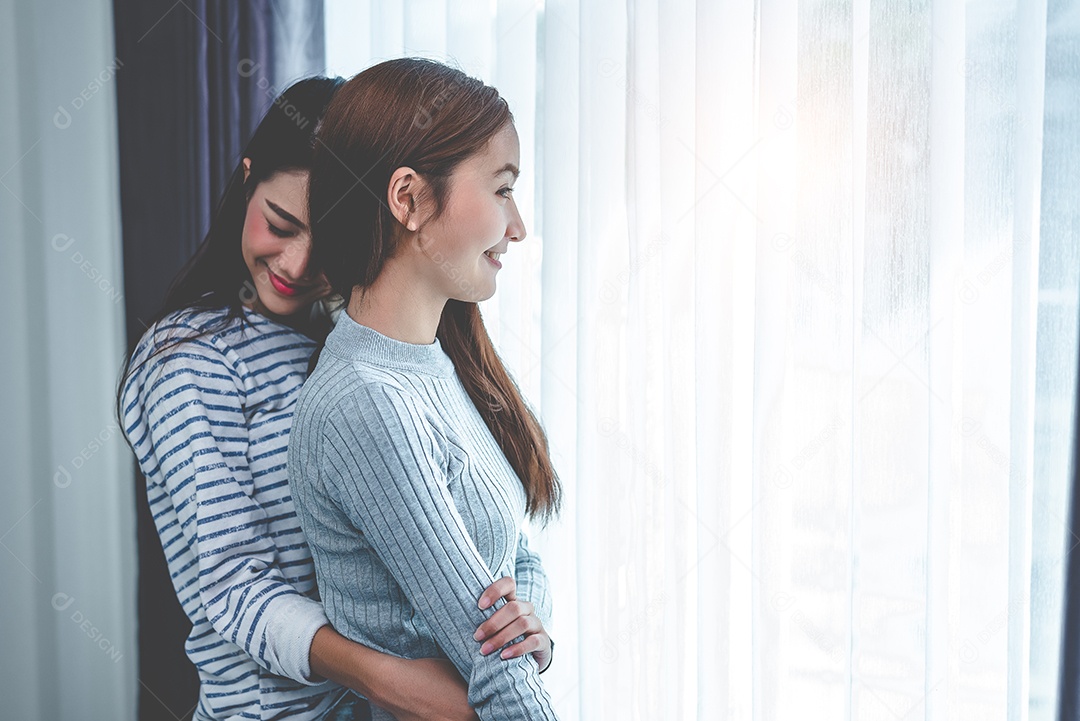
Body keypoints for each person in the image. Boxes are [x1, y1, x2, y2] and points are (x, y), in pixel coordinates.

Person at [118, 76, 506, 721]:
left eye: (325, 244)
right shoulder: (189, 359)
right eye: (279, 224)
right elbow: (234, 588)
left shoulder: (358, 343)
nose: (296, 266)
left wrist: (525, 633)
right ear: (247, 179)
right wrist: (391, 682)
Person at [287, 58, 563, 721]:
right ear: (407, 198)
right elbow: (493, 668)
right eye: (502, 190)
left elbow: (519, 555)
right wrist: (519, 650)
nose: (518, 226)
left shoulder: (441, 362)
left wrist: (537, 632)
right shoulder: (367, 402)